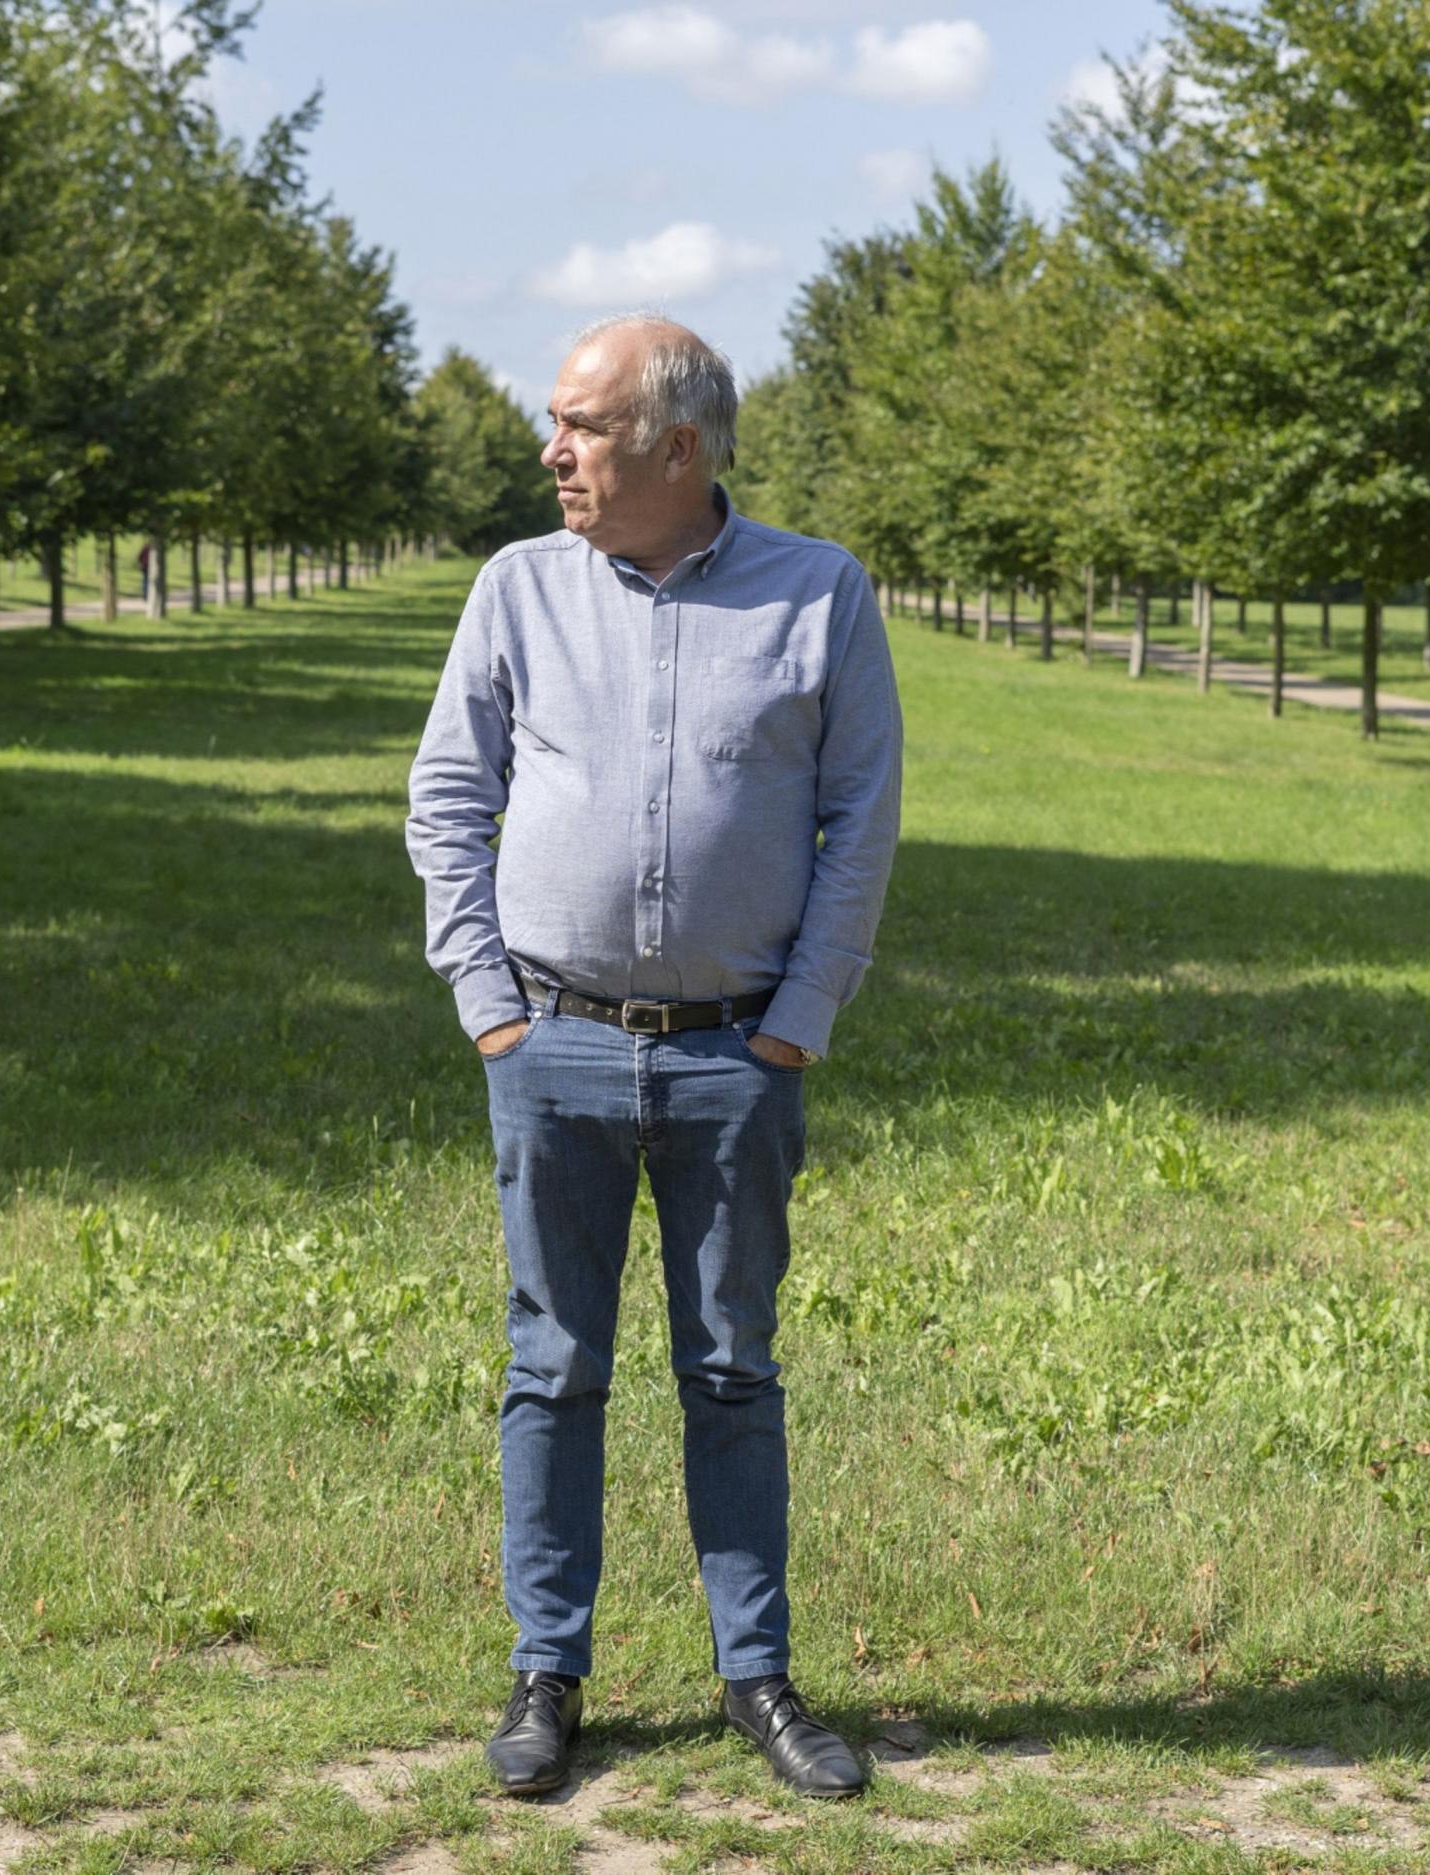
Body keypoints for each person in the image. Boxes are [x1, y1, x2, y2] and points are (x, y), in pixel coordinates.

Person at [404, 314, 902, 1801]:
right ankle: (547, 1677)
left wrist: (797, 1022)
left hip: (733, 1063)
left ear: (675, 447)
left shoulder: (821, 594)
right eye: (551, 427)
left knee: (733, 1371)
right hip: (549, 1042)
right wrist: (490, 1001)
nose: (552, 452)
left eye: (580, 426)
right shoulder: (517, 592)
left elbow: (859, 823)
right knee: (551, 1371)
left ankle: (757, 1679)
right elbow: (446, 799)